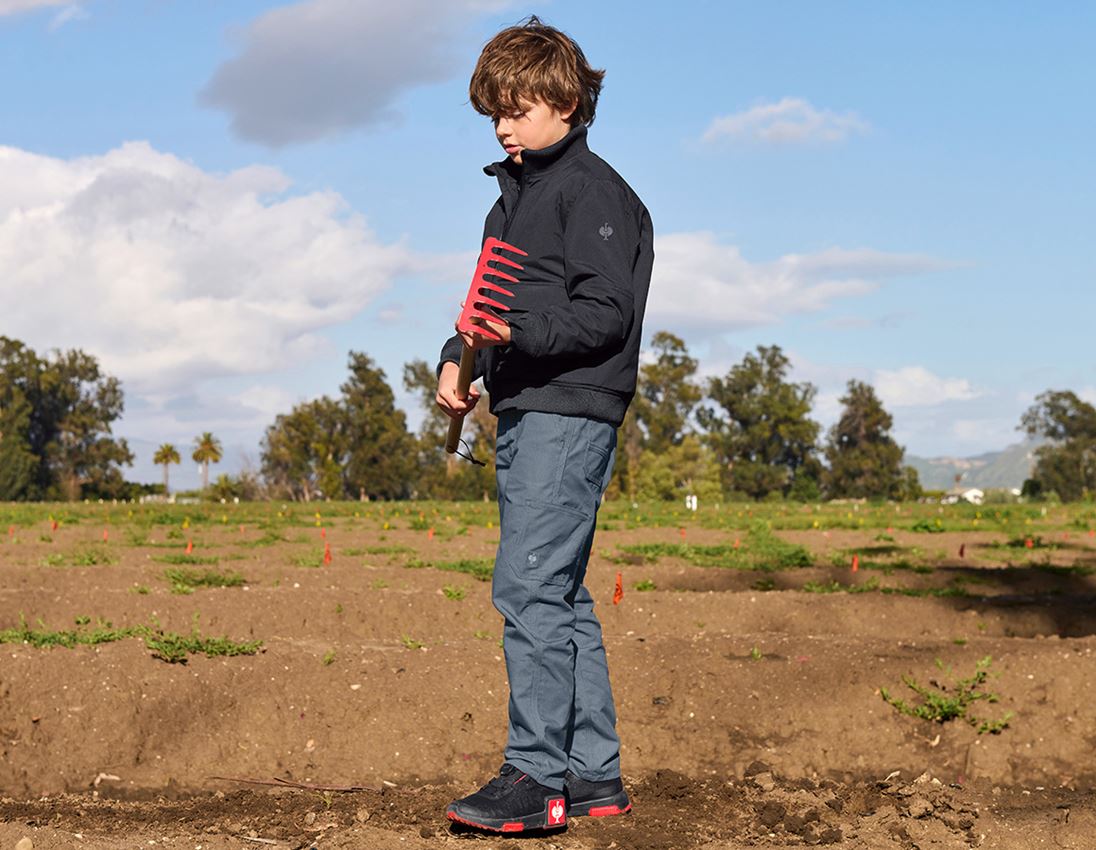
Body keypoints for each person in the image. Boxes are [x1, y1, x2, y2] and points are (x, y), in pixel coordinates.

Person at [435, 15, 653, 833]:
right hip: (526, 408)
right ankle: (594, 778)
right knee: (559, 593)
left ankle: (536, 778)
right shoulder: (511, 205)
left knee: (528, 587)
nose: (501, 124)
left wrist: (510, 339)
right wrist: (458, 363)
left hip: (570, 409)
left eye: (516, 108)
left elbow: (604, 314)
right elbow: (484, 310)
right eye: (493, 110)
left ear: (566, 102)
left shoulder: (591, 194)